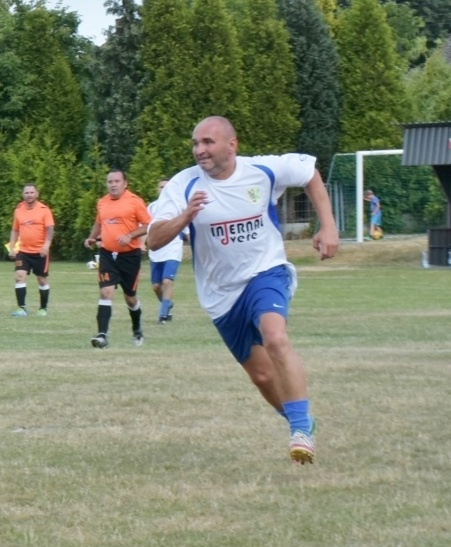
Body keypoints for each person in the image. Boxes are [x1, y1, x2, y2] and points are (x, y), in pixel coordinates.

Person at [147, 115, 337, 465]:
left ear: (231, 145)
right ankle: (299, 420)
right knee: (262, 375)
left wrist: (328, 226)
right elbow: (153, 239)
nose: (199, 150)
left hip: (266, 271)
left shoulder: (262, 170)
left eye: (208, 142)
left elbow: (308, 171)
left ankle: (300, 431)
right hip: (221, 294)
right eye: (195, 143)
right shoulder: (183, 184)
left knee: (275, 336)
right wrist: (183, 218)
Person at [85, 169, 151, 348]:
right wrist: (92, 237)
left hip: (130, 256)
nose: (113, 185)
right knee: (105, 292)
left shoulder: (135, 201)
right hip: (107, 254)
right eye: (110, 182)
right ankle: (102, 335)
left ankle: (136, 327)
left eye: (116, 181)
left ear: (125, 184)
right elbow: (99, 222)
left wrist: (130, 236)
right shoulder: (102, 202)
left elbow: (148, 225)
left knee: (130, 298)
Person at [8, 183, 54, 317]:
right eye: (26, 193)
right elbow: (15, 230)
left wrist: (46, 245)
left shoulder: (44, 209)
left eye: (32, 192)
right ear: (23, 195)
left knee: (42, 280)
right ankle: (22, 308)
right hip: (23, 251)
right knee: (19, 276)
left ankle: (43, 308)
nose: (29, 195)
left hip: (40, 252)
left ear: (37, 194)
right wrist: (12, 247)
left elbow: (50, 229)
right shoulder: (18, 210)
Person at [146, 178, 184, 323]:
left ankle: (163, 315)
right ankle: (167, 304)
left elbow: (186, 228)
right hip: (156, 251)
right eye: (161, 187)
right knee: (156, 286)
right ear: (157, 190)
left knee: (167, 281)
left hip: (173, 249)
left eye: (166, 187)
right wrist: (142, 242)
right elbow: (146, 227)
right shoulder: (151, 208)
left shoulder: (178, 206)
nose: (164, 190)